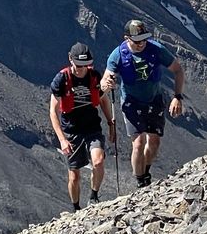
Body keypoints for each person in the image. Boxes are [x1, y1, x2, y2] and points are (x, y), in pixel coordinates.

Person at [101, 18, 185, 187]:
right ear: (127, 38)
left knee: (154, 142)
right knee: (138, 142)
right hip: (131, 102)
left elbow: (177, 70)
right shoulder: (118, 55)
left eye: (144, 39)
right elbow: (104, 80)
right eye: (137, 41)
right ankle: (140, 181)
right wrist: (106, 84)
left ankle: (145, 171)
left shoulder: (156, 50)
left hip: (154, 100)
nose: (141, 43)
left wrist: (177, 96)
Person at [49, 42, 116, 210]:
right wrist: (62, 140)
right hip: (72, 131)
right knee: (74, 176)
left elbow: (102, 99)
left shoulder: (94, 76)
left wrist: (110, 123)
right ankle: (76, 208)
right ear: (70, 59)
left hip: (92, 127)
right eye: (78, 65)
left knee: (98, 161)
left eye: (85, 65)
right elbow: (53, 111)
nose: (81, 69)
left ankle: (94, 196)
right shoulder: (61, 80)